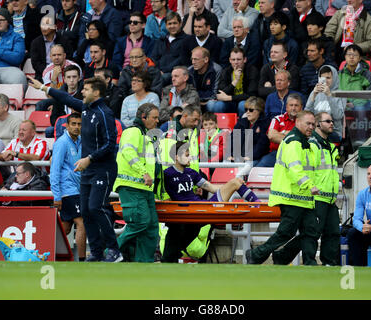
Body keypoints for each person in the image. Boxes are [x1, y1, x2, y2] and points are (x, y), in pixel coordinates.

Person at [28, 75, 123, 263]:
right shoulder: (87, 108)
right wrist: (44, 89)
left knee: (97, 207)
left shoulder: (105, 113)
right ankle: (96, 253)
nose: (82, 92)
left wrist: (89, 158)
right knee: (86, 211)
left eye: (86, 89)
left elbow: (111, 144)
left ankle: (114, 250)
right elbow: (67, 99)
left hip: (102, 169)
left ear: (96, 92)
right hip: (87, 170)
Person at [162, 140, 259, 262]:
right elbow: (164, 196)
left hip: (202, 209)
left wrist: (228, 188)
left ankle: (258, 205)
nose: (190, 158)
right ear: (177, 157)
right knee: (171, 253)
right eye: (187, 155)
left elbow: (212, 188)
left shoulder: (191, 173)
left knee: (236, 182)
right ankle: (258, 206)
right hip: (186, 214)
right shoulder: (167, 174)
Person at [246, 110, 320, 265]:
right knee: (286, 232)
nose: (311, 127)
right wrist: (309, 185)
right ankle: (257, 255)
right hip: (291, 196)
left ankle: (308, 263)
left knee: (311, 231)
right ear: (298, 122)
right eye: (308, 123)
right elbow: (295, 169)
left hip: (303, 197)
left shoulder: (304, 142)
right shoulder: (293, 142)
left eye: (313, 124)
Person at [272, 112, 341, 266]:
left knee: (333, 231)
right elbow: (305, 170)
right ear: (318, 124)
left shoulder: (330, 146)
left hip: (329, 197)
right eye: (328, 121)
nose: (332, 124)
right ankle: (303, 260)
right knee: (311, 233)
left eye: (332, 121)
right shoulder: (312, 145)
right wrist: (311, 188)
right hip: (316, 196)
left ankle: (329, 263)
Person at [113, 103, 160, 262]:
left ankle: (144, 263)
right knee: (140, 223)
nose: (157, 121)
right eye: (154, 117)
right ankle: (111, 252)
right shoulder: (133, 131)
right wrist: (144, 173)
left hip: (144, 188)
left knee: (151, 227)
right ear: (143, 117)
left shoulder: (144, 135)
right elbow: (128, 151)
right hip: (131, 186)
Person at [50, 112, 86, 261]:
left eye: (79, 124)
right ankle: (84, 261)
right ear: (67, 125)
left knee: (65, 227)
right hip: (67, 190)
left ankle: (47, 253)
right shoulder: (62, 143)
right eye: (73, 124)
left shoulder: (81, 141)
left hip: (78, 189)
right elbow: (55, 169)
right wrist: (57, 196)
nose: (77, 127)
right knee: (82, 222)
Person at [207, 47, 258, 116]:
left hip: (243, 101)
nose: (236, 62)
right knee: (218, 105)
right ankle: (220, 126)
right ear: (230, 60)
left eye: (239, 59)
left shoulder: (252, 70)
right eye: (233, 60)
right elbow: (220, 93)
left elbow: (251, 94)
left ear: (245, 60)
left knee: (242, 105)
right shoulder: (226, 71)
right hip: (230, 103)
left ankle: (242, 125)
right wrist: (235, 81)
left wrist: (229, 98)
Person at [324, 0, 371, 65]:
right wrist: (330, 46)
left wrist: (354, 47)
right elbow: (328, 32)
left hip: (355, 56)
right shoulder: (339, 14)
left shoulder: (369, 20)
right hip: (335, 52)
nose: (348, 0)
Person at [0, 8, 27, 91]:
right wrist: (7, 56)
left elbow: (17, 58)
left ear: (8, 21)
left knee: (19, 78)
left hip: (10, 68)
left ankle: (13, 104)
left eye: (1, 19)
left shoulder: (16, 37)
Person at [305, 65, 346, 143]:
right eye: (323, 78)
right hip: (315, 130)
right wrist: (313, 95)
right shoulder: (314, 92)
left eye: (328, 78)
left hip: (333, 131)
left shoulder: (340, 94)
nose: (325, 81)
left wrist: (329, 95)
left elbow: (338, 116)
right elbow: (306, 114)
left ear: (334, 78)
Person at [261, 92, 302, 167]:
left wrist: (282, 133)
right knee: (259, 168)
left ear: (301, 107)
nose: (293, 108)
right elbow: (272, 136)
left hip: (297, 154)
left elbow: (304, 140)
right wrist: (293, 137)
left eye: (296, 105)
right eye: (291, 105)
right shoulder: (278, 119)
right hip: (277, 153)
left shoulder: (304, 121)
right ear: (286, 107)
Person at [30, 15, 74, 81]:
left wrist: (60, 70)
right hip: (42, 74)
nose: (44, 28)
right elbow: (35, 63)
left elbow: (68, 57)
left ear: (55, 27)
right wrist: (49, 72)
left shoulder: (64, 40)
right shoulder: (36, 42)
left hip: (62, 73)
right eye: (42, 25)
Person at [150, 11, 188, 85]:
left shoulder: (187, 40)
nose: (172, 26)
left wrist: (164, 71)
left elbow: (181, 60)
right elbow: (154, 58)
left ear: (180, 24)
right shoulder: (160, 40)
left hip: (174, 73)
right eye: (169, 24)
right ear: (166, 25)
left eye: (175, 23)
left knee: (161, 79)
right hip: (159, 73)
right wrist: (158, 71)